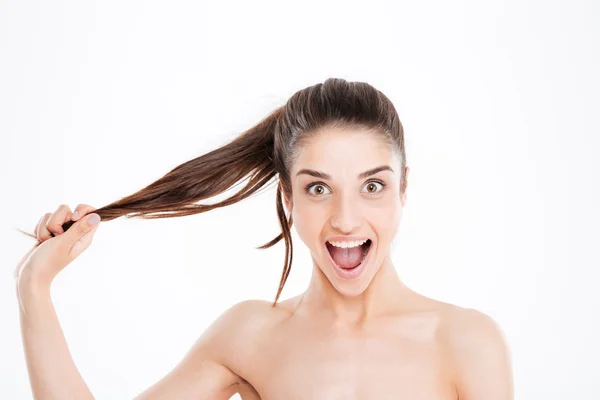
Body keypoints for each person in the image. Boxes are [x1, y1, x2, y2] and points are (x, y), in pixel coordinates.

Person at [14, 78, 514, 399]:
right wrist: (33, 290)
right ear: (289, 198)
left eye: (373, 186)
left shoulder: (466, 342)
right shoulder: (251, 335)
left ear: (403, 190)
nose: (345, 219)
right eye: (319, 188)